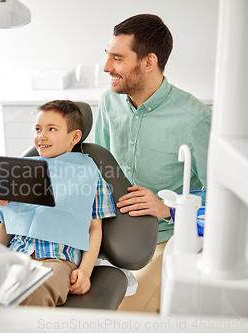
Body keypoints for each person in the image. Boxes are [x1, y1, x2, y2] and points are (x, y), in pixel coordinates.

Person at [94, 14, 212, 312]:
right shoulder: (110, 101)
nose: (107, 67)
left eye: (118, 58)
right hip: (107, 233)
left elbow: (228, 203)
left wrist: (167, 207)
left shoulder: (195, 120)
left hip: (162, 242)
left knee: (116, 317)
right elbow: (98, 166)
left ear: (148, 62)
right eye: (108, 56)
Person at [0, 100, 116, 307]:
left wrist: (85, 271)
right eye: (38, 129)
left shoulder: (90, 175)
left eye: (51, 129)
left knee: (33, 296)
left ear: (74, 137)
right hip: (17, 253)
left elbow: (94, 229)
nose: (41, 136)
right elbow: (8, 222)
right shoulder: (23, 170)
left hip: (58, 259)